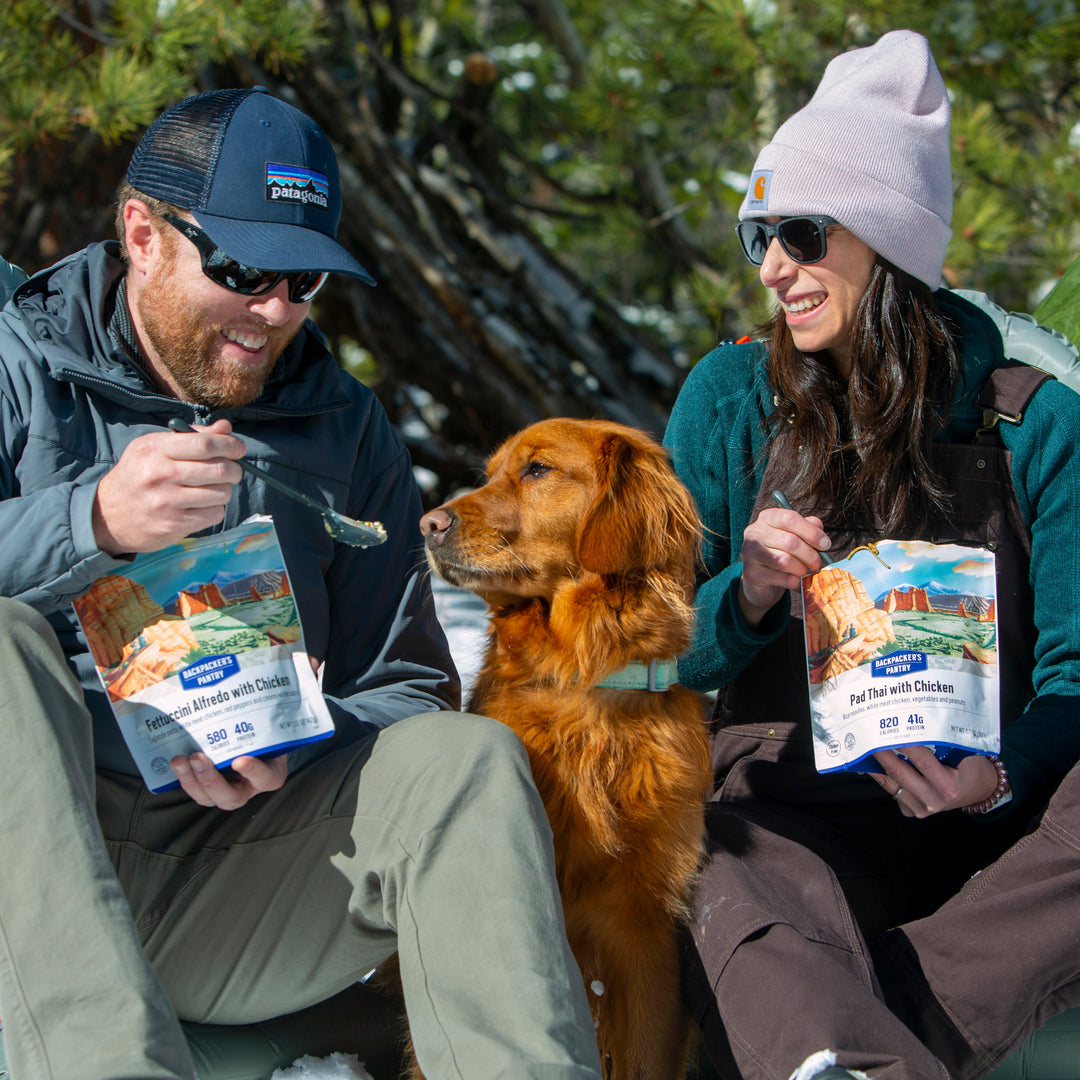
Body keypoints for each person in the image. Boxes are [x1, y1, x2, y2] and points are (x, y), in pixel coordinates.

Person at [0, 87, 602, 1080]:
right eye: (241, 268)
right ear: (143, 232)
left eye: (304, 282)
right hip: (30, 874)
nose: (273, 310)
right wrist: (92, 521)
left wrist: (299, 734)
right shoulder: (19, 363)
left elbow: (408, 688)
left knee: (466, 762)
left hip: (226, 885)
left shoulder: (344, 427)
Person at [663, 29, 1080, 1080]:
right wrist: (745, 595)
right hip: (794, 823)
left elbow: (1079, 673)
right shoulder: (728, 403)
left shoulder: (1038, 423)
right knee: (708, 855)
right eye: (760, 233)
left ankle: (823, 1030)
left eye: (802, 232)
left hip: (1001, 832)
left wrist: (999, 773)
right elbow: (642, 656)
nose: (772, 268)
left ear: (890, 240)